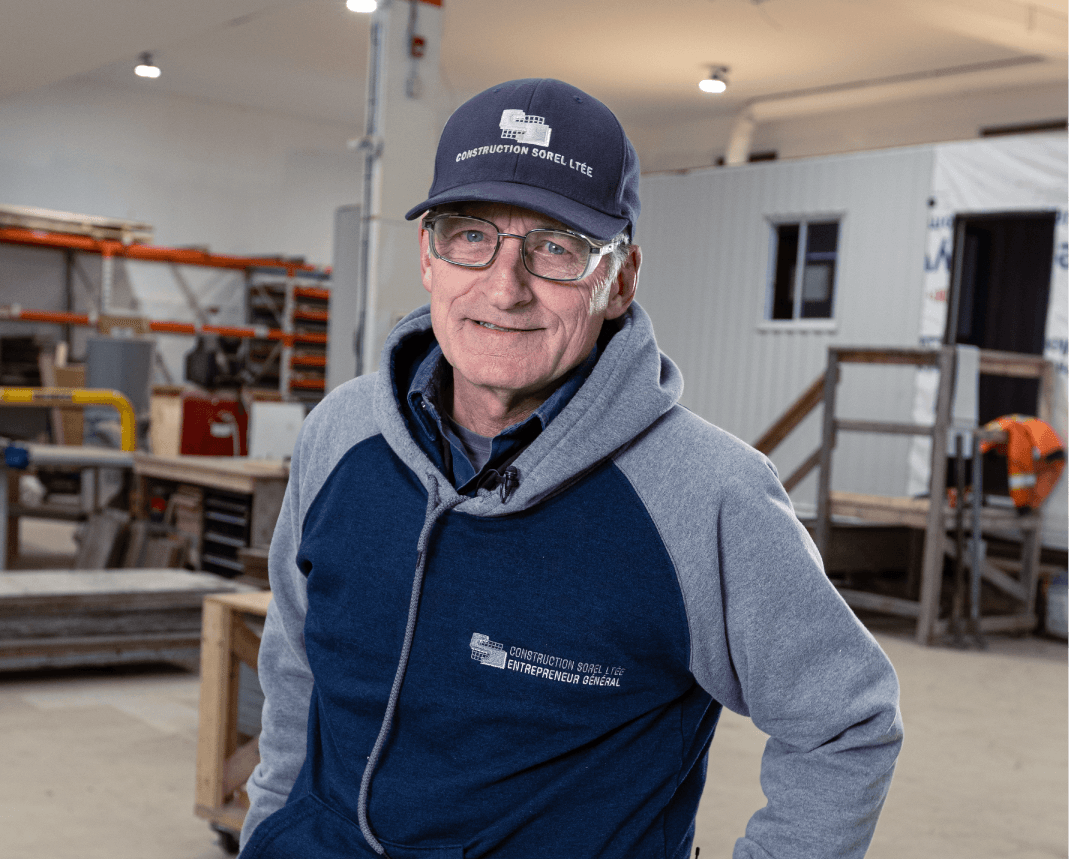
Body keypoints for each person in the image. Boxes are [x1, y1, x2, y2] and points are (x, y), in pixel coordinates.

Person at [239, 78, 903, 859]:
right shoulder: (341, 433)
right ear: (429, 255)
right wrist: (271, 827)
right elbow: (295, 663)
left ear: (617, 280)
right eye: (470, 235)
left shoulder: (707, 495)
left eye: (556, 246)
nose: (503, 286)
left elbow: (844, 722)